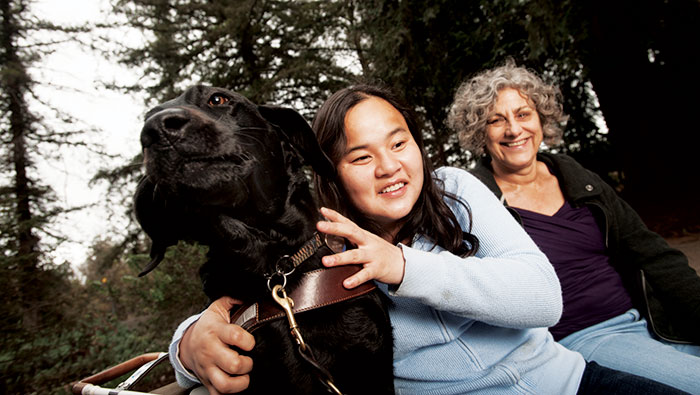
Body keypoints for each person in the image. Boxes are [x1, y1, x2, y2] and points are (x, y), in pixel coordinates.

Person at [168, 83, 685, 394]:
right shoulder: (325, 246)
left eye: (400, 143)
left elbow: (544, 297)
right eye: (362, 156)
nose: (390, 167)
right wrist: (186, 348)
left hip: (573, 384)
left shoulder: (456, 191)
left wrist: (402, 267)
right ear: (332, 172)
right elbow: (252, 300)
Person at [447, 60, 700, 394]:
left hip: (648, 322)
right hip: (584, 339)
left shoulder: (575, 176)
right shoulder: (476, 201)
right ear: (480, 132)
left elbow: (653, 255)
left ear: (541, 119)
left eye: (523, 114)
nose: (513, 129)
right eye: (496, 120)